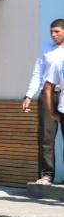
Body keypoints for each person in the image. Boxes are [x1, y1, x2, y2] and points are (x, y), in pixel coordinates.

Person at [36, 19, 64, 184]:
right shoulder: (48, 50)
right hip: (50, 95)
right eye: (51, 32)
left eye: (57, 32)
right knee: (47, 136)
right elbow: (38, 72)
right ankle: (47, 174)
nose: (53, 35)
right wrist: (28, 94)